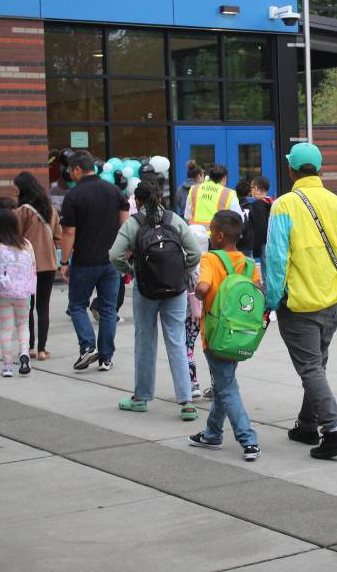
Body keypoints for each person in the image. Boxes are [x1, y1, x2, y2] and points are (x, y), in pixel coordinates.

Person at [265, 142, 337, 459]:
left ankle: (333, 432)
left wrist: (271, 300)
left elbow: (276, 259)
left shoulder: (284, 206)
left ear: (291, 170)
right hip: (330, 300)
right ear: (320, 169)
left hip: (298, 303)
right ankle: (306, 424)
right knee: (317, 363)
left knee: (311, 369)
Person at [112, 179, 203, 420]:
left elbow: (114, 255)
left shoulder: (134, 224)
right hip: (175, 289)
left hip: (146, 290)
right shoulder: (174, 220)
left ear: (138, 201)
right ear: (160, 199)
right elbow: (195, 252)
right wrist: (182, 271)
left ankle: (141, 397)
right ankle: (186, 402)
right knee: (177, 340)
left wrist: (131, 269)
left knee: (145, 340)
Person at [187, 210, 262, 460]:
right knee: (222, 383)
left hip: (216, 335)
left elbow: (204, 287)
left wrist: (197, 294)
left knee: (227, 387)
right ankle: (212, 434)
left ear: (218, 236)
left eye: (210, 232)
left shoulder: (210, 259)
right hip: (240, 334)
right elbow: (258, 293)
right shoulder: (249, 264)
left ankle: (248, 439)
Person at [59, 150, 130, 372]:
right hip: (111, 262)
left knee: (77, 305)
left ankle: (88, 346)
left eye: (70, 170)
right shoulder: (114, 191)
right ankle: (106, 358)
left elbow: (68, 232)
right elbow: (124, 225)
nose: (69, 174)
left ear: (77, 169)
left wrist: (64, 261)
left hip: (85, 261)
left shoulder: (74, 196)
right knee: (108, 310)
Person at [13, 171, 61, 361]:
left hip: (27, 265)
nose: (14, 192)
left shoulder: (21, 211)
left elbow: (15, 238)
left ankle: (30, 347)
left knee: (27, 307)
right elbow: (58, 236)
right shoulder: (50, 208)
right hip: (48, 264)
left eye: (16, 188)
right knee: (43, 307)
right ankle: (42, 350)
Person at [0, 209, 37, 378]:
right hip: (23, 293)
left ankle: (7, 366)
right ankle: (24, 353)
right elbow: (33, 268)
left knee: (6, 329)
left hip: (3, 293)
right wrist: (30, 289)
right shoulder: (26, 244)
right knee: (23, 325)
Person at [185, 164, 242, 253]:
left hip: (195, 238)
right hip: (217, 239)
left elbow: (187, 215)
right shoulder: (229, 193)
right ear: (224, 178)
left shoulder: (194, 189)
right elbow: (238, 218)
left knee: (199, 266)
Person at [244, 176, 272, 263]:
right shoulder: (271, 202)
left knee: (265, 274)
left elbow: (260, 228)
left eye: (251, 188)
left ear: (256, 188)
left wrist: (256, 249)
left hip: (264, 245)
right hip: (272, 242)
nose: (251, 191)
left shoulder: (257, 205)